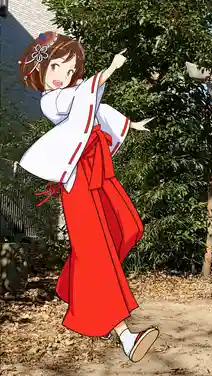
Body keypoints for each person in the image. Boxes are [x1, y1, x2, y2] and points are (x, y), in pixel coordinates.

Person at [17, 31, 159, 363]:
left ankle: (74, 285)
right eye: (57, 67)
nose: (63, 77)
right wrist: (109, 71)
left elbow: (97, 107)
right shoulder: (50, 100)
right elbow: (78, 100)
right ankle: (127, 336)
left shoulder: (78, 93)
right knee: (97, 252)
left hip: (99, 168)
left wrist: (129, 124)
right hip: (77, 178)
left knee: (128, 228)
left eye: (70, 71)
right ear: (42, 69)